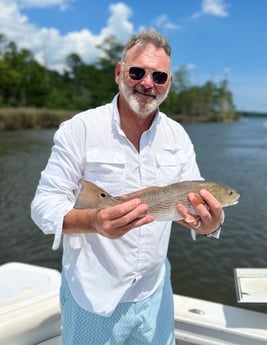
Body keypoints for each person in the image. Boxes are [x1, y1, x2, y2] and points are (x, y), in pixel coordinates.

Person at [31, 28, 224, 345]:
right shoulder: (80, 129)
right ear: (120, 73)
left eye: (159, 77)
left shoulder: (178, 137)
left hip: (155, 291)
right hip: (93, 296)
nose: (148, 83)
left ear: (168, 84)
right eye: (138, 72)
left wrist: (209, 225)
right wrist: (94, 221)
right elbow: (43, 206)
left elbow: (193, 207)